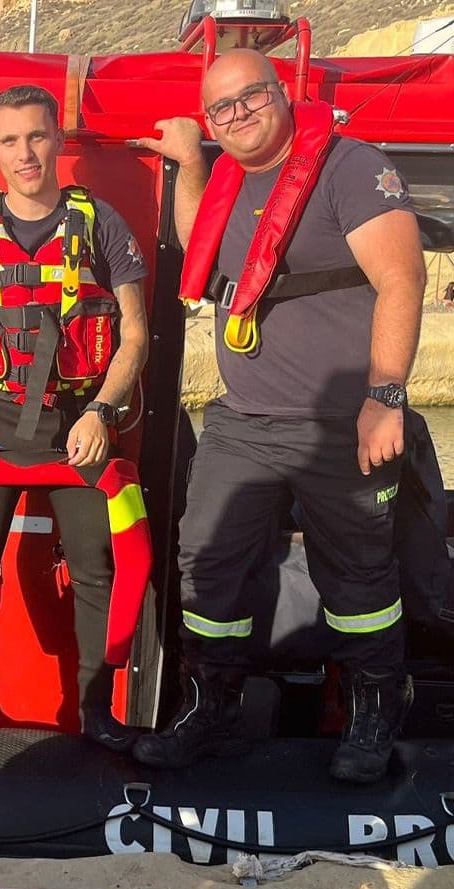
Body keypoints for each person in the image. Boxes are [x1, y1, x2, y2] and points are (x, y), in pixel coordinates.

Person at [129, 49, 423, 782]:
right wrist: (191, 164)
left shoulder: (351, 167)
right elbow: (205, 251)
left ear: (281, 93)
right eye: (220, 108)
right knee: (209, 563)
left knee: (358, 576)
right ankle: (213, 707)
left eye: (250, 97)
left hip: (339, 421)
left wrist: (384, 397)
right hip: (243, 420)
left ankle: (372, 712)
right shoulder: (230, 174)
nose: (237, 115)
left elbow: (402, 277)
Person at [0, 84, 150, 750]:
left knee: (95, 569)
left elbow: (134, 333)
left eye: (38, 136)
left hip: (79, 426)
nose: (26, 153)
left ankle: (97, 711)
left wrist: (102, 411)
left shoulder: (101, 224)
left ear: (58, 140)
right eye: (10, 141)